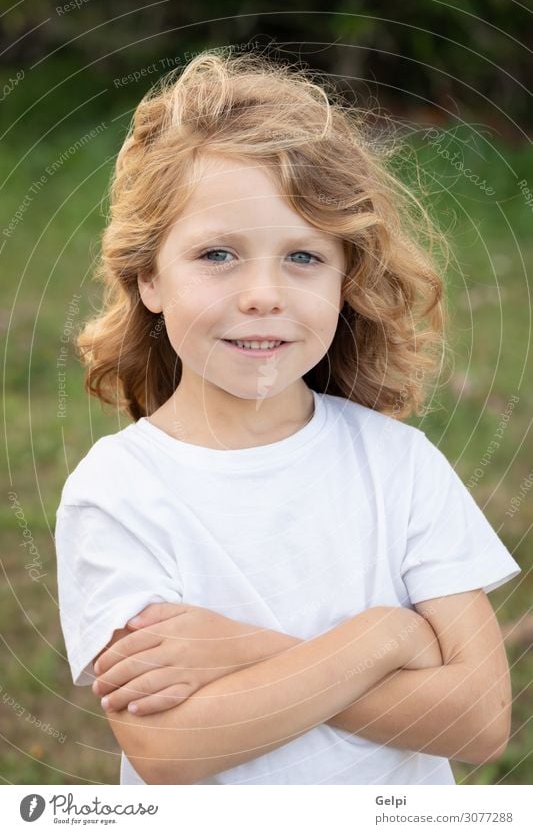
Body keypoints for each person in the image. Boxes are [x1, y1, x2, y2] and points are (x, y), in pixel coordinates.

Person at [54, 47, 521, 786]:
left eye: (302, 257)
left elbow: (476, 719)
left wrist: (243, 649)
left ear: (345, 279)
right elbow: (172, 747)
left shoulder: (396, 462)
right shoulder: (119, 487)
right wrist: (386, 636)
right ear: (147, 276)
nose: (262, 294)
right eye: (217, 253)